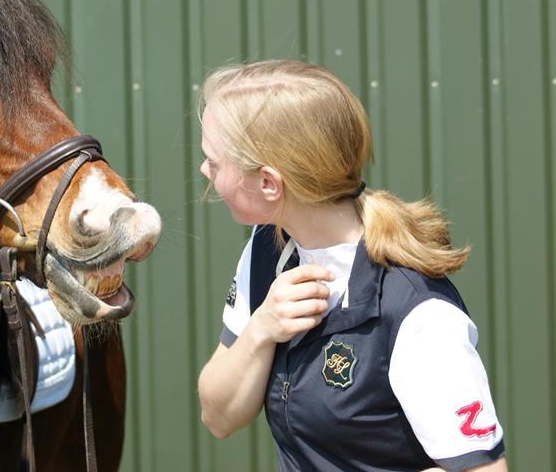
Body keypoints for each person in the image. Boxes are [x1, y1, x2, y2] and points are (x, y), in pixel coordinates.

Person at [196, 60, 507, 472]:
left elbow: (484, 471)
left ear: (269, 183)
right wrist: (260, 331)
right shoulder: (268, 251)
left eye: (215, 164)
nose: (205, 170)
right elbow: (218, 417)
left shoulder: (417, 311)